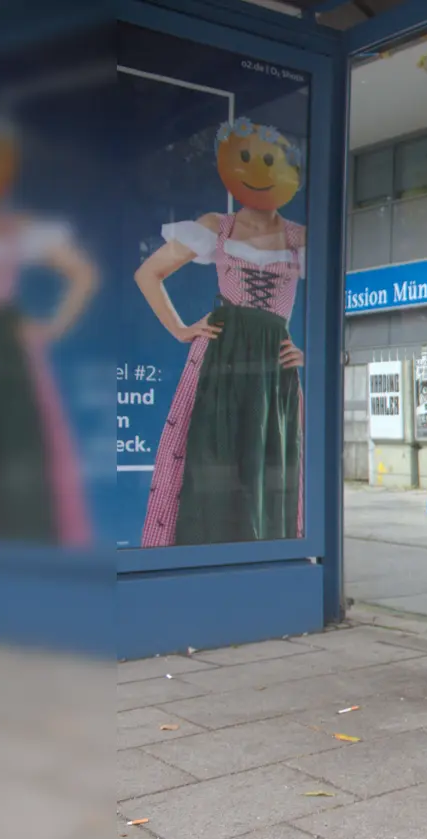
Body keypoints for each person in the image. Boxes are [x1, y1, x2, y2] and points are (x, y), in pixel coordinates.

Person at [135, 117, 306, 547]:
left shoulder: (300, 238)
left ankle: (262, 559)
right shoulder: (218, 226)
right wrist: (180, 329)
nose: (258, 171)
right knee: (209, 452)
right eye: (246, 159)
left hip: (272, 366)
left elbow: (338, 297)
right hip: (220, 355)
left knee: (269, 462)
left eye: (271, 161)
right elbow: (148, 273)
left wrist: (313, 353)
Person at [0, 116, 97, 547]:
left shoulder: (16, 228)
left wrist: (52, 326)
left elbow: (82, 273)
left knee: (17, 446)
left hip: (2, 347)